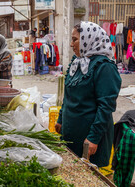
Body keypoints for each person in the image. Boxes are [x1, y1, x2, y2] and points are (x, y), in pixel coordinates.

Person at [55, 21, 121, 167]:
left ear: (89, 39)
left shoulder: (104, 67)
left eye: (75, 40)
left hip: (89, 139)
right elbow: (68, 94)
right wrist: (60, 119)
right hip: (70, 132)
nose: (72, 45)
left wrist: (93, 138)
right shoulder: (77, 62)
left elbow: (106, 107)